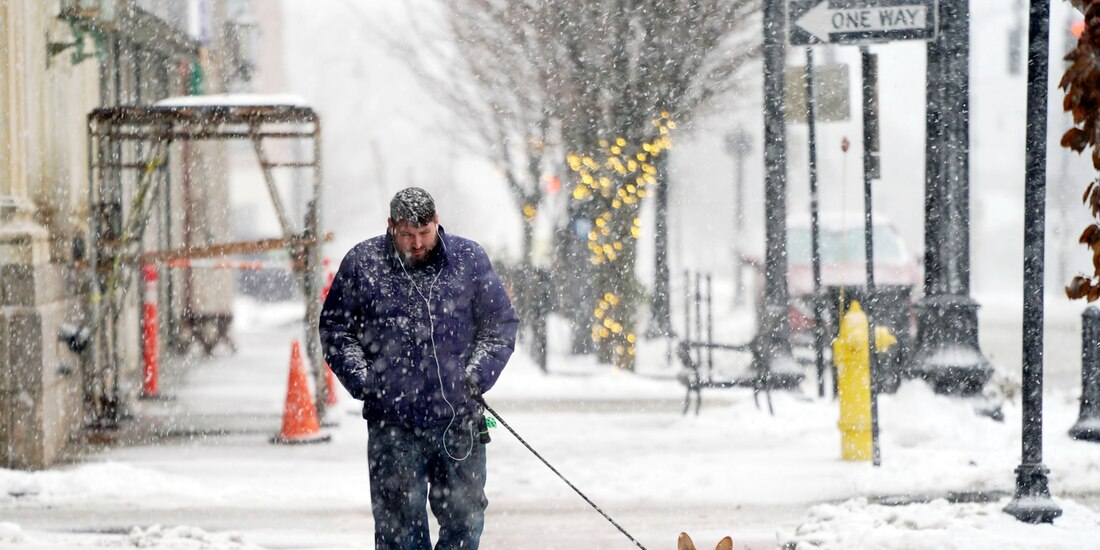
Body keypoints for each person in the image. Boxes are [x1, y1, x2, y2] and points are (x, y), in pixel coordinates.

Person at [319, 187, 518, 550]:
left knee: (466, 523)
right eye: (407, 235)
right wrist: (365, 381)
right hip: (393, 425)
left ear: (437, 222)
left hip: (458, 421)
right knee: (399, 535)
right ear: (391, 226)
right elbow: (335, 330)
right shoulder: (362, 263)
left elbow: (500, 325)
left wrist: (476, 375)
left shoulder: (469, 259)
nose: (416, 244)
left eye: (424, 234)